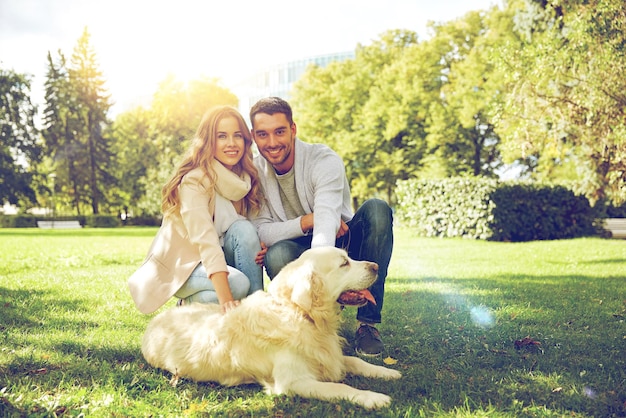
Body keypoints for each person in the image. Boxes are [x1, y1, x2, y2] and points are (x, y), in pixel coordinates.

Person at [249, 97, 394, 356]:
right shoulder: (254, 171)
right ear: (253, 136)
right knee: (277, 253)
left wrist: (325, 276)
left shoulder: (323, 159)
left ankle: (367, 325)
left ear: (293, 129)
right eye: (263, 134)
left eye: (280, 131)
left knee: (377, 210)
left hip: (341, 240)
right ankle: (301, 322)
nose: (272, 143)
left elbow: (327, 221)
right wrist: (306, 221)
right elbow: (261, 229)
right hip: (297, 243)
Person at [128, 105, 263, 315]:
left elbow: (243, 232)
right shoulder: (194, 182)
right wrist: (227, 299)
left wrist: (257, 242)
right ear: (209, 141)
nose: (231, 143)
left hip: (219, 261)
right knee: (236, 284)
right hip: (185, 266)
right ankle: (187, 306)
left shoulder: (244, 180)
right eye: (222, 136)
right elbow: (206, 241)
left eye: (237, 136)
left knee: (245, 229)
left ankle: (258, 314)